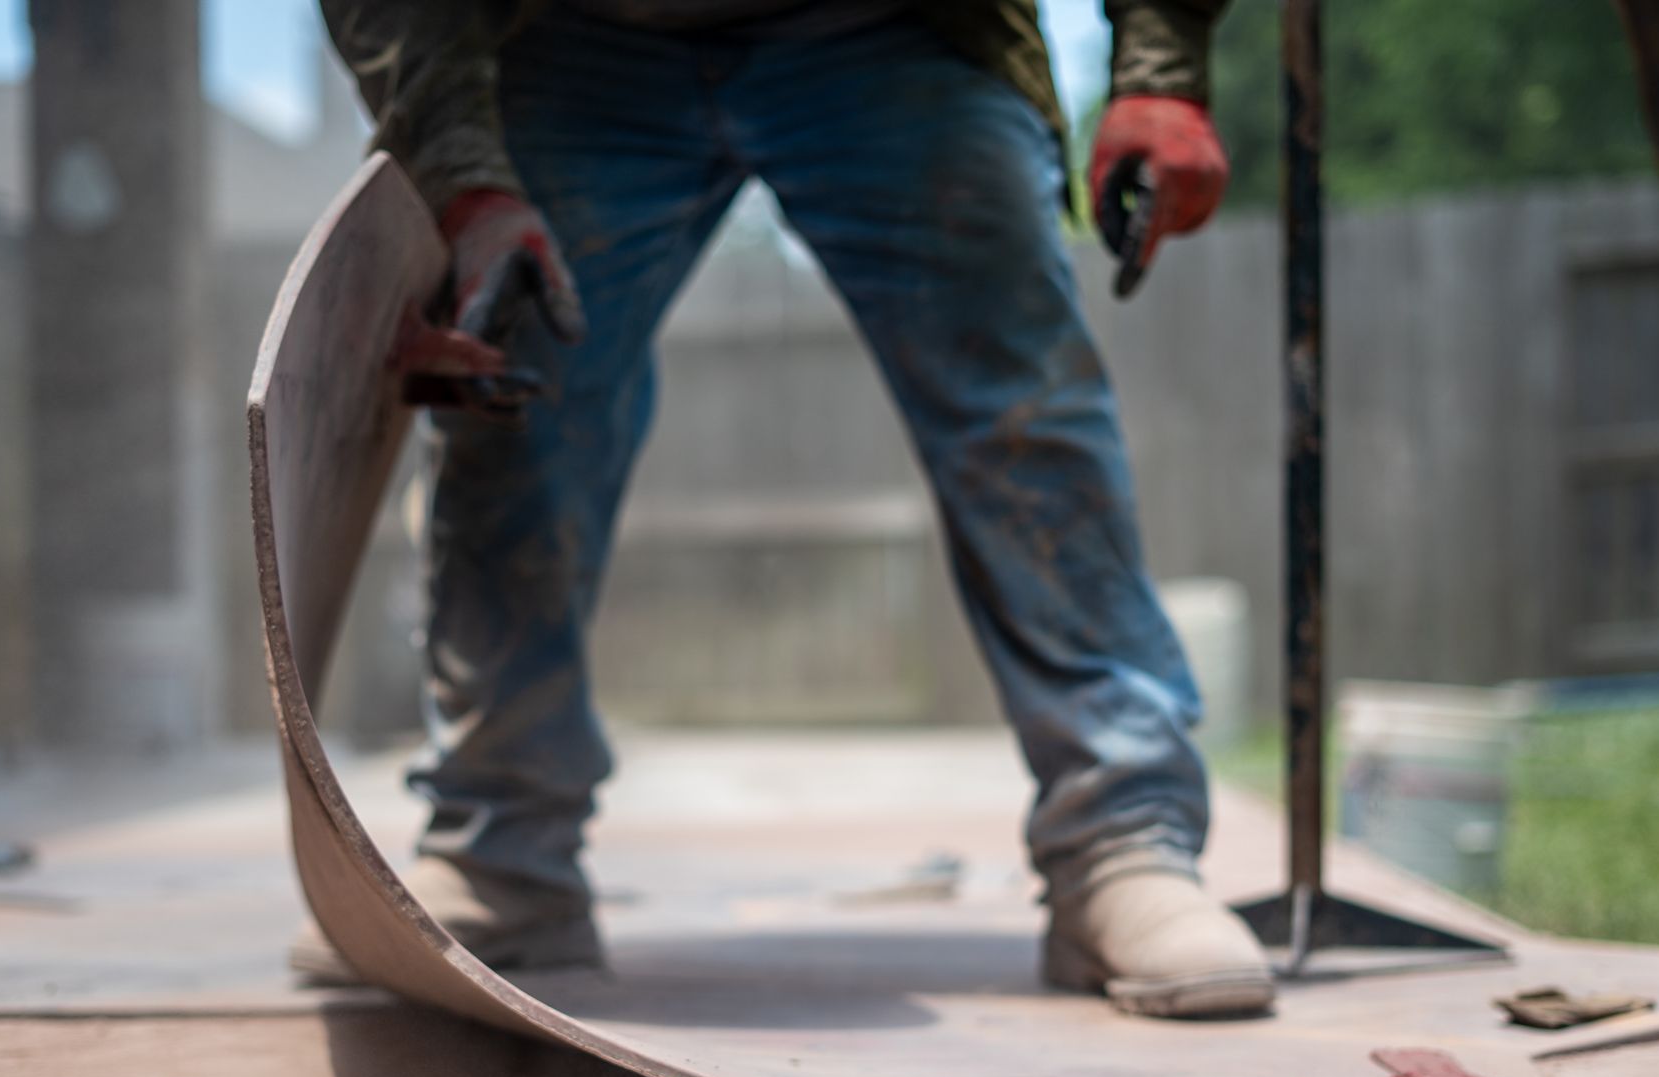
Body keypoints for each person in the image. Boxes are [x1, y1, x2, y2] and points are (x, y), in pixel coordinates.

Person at [308, 0, 1274, 1018]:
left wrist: (1160, 67)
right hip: (571, 31)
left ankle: (1124, 844)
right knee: (515, 385)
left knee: (1023, 407)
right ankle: (501, 854)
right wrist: (462, 176)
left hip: (893, 25)